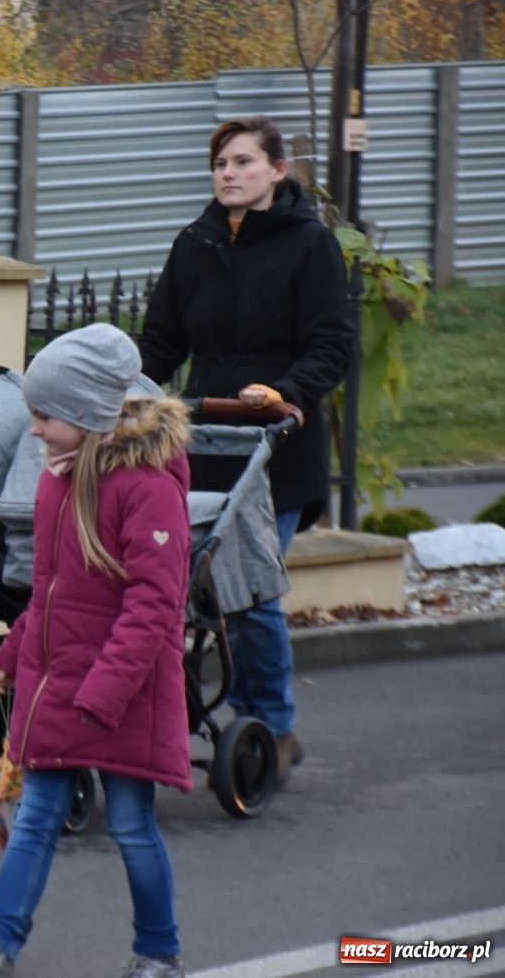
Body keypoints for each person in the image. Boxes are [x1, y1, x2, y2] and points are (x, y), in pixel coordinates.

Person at [0, 324, 194, 978]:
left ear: (88, 413)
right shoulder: (59, 479)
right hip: (59, 683)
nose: (33, 429)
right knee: (35, 816)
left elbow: (155, 606)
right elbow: (51, 588)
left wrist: (104, 691)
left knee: (131, 824)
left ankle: (159, 951)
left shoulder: (147, 486)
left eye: (44, 416)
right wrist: (12, 649)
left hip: (123, 693)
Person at [137, 115, 355, 784]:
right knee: (185, 592)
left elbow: (332, 343)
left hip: (276, 446)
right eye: (220, 164)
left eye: (243, 162)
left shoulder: (309, 245)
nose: (228, 173)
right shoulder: (196, 242)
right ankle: (170, 715)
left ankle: (272, 723)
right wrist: (123, 391)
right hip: (203, 441)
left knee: (251, 594)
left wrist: (285, 391)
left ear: (276, 171)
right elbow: (161, 341)